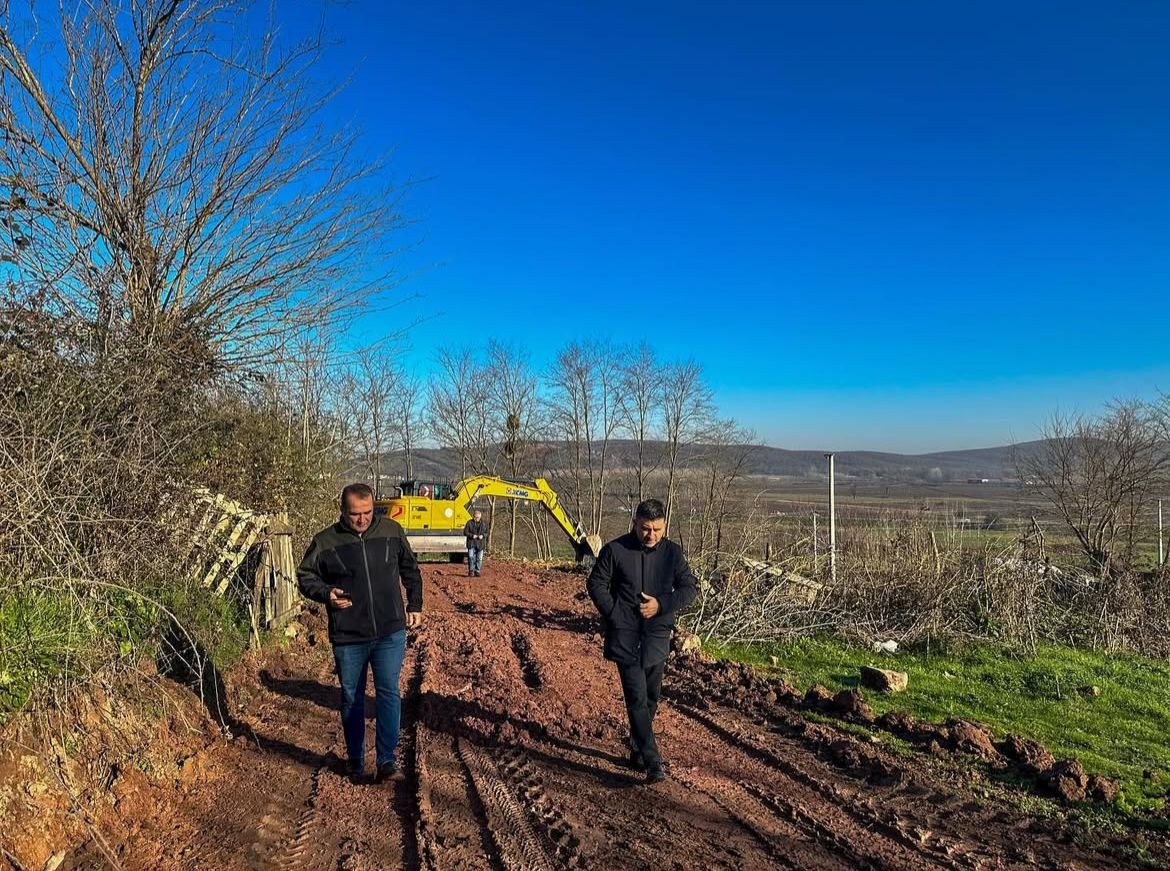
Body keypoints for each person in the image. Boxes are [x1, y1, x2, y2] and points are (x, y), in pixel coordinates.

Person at [297, 483, 423, 784]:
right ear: (342, 511)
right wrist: (326, 593)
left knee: (389, 693)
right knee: (352, 697)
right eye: (355, 514)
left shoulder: (391, 530)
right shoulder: (325, 541)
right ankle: (355, 758)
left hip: (389, 631)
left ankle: (387, 760)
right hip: (349, 635)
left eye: (367, 513)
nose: (362, 520)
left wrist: (415, 603)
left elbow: (411, 568)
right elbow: (305, 577)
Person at [586, 498, 697, 784]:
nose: (651, 535)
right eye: (646, 529)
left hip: (657, 637)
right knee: (636, 698)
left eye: (657, 529)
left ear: (665, 526)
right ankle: (652, 761)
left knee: (650, 698)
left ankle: (636, 749)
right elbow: (596, 583)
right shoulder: (616, 550)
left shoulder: (673, 554)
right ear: (635, 523)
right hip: (625, 637)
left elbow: (688, 588)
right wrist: (616, 614)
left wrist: (661, 605)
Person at [463, 508, 488, 577]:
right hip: (471, 543)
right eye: (475, 517)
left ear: (480, 517)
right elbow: (465, 532)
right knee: (471, 557)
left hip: (480, 544)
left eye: (477, 517)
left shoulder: (484, 524)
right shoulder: (469, 523)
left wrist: (482, 536)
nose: (476, 518)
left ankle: (477, 570)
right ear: (473, 516)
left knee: (479, 558)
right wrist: (471, 535)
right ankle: (471, 571)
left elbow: (487, 533)